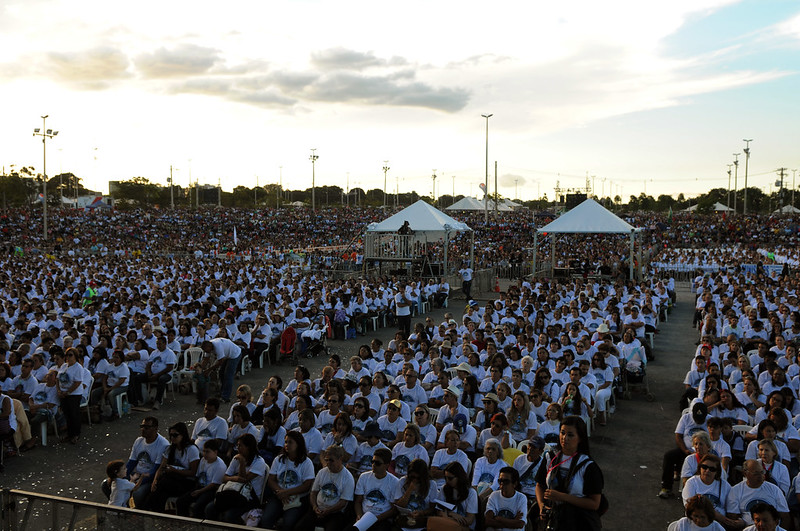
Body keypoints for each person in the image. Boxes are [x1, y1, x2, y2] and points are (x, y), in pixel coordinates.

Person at [535, 416, 604, 531]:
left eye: (570, 435)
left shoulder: (588, 466)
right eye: (562, 433)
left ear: (580, 438)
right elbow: (540, 485)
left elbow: (594, 503)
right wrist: (541, 504)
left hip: (577, 522)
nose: (564, 438)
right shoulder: (550, 457)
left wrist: (562, 497)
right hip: (552, 519)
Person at [205, 433, 267, 523]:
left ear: (248, 447)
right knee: (209, 508)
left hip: (249, 497)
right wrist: (235, 478)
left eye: (240, 446)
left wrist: (242, 463)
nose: (237, 448)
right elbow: (225, 478)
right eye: (237, 445)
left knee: (229, 515)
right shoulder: (236, 458)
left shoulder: (259, 462)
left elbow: (244, 479)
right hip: (233, 493)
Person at [260, 430, 315, 530]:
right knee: (266, 519)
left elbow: (307, 485)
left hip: (297, 499)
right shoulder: (279, 459)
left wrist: (287, 492)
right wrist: (280, 492)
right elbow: (271, 480)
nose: (287, 445)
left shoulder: (307, 462)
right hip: (279, 496)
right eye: (285, 442)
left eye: (290, 442)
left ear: (298, 444)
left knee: (288, 523)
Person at [296, 445, 355, 531]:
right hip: (317, 509)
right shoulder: (322, 472)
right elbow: (313, 493)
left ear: (340, 459)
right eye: (326, 460)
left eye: (331, 460)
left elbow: (343, 502)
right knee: (299, 527)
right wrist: (315, 507)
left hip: (335, 513)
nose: (328, 463)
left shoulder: (348, 477)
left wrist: (328, 511)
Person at [145, 422, 200, 513]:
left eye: (175, 435)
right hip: (171, 481)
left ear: (182, 435)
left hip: (186, 482)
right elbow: (162, 467)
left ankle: (145, 508)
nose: (172, 438)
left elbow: (193, 472)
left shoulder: (191, 449)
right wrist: (155, 480)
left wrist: (174, 470)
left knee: (163, 483)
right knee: (161, 492)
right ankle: (158, 514)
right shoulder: (170, 449)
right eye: (171, 435)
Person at [726, 459, 790, 529]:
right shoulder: (735, 491)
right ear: (745, 474)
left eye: (762, 472)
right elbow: (733, 516)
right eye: (756, 473)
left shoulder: (774, 489)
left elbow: (785, 516)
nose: (761, 476)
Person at [175, 439, 226, 518]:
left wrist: (199, 491)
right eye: (204, 451)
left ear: (215, 452)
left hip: (210, 490)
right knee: (180, 501)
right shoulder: (203, 460)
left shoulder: (220, 466)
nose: (204, 454)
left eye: (207, 452)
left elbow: (214, 484)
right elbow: (197, 475)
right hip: (199, 486)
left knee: (198, 507)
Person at [126, 416, 170, 508]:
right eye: (142, 426)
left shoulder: (163, 444)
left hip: (149, 479)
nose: (143, 429)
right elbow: (131, 463)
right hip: (136, 475)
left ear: (155, 428)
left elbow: (155, 470)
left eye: (146, 427)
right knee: (108, 485)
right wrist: (123, 477)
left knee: (137, 493)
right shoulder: (139, 441)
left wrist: (138, 482)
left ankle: (139, 516)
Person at [681, 454, 734, 528]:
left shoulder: (725, 486)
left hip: (718, 525)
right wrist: (719, 517)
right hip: (695, 523)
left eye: (712, 469)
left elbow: (731, 508)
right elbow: (690, 507)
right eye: (704, 467)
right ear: (700, 468)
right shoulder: (691, 483)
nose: (707, 470)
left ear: (717, 472)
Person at [353, 447, 399, 531]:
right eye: (372, 461)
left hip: (382, 520)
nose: (373, 465)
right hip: (363, 518)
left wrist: (375, 519)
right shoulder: (364, 477)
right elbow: (358, 501)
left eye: (377, 463)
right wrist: (359, 515)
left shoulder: (395, 482)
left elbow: (393, 509)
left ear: (387, 465)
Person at [431, 461, 478, 530]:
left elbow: (469, 520)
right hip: (447, 523)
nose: (447, 481)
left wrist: (452, 518)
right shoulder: (444, 488)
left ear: (459, 477)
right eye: (445, 478)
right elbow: (439, 510)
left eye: (450, 478)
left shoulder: (471, 493)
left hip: (463, 527)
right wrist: (451, 515)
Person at [394, 458, 438, 528]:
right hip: (404, 517)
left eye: (418, 478)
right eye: (413, 477)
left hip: (421, 518)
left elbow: (432, 508)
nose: (415, 480)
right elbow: (399, 505)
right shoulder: (402, 481)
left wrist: (421, 513)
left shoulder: (432, 484)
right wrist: (409, 490)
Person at [485, 466, 528, 531]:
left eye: (506, 481)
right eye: (500, 481)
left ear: (514, 484)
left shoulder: (521, 498)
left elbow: (520, 524)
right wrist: (513, 521)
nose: (502, 484)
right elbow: (488, 521)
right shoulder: (494, 495)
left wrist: (499, 519)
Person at [56, 347, 84, 444]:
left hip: (74, 394)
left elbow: (77, 382)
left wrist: (67, 392)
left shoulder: (78, 367)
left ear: (75, 356)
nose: (68, 357)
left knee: (74, 414)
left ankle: (76, 434)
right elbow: (58, 379)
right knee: (67, 414)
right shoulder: (64, 366)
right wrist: (59, 390)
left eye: (70, 355)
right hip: (63, 393)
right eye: (66, 355)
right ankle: (69, 433)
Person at [201, 338, 242, 402]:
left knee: (228, 375)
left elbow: (220, 362)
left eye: (206, 350)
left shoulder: (217, 346)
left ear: (209, 346)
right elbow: (206, 359)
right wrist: (201, 369)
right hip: (227, 355)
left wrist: (209, 370)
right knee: (221, 373)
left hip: (235, 354)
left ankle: (226, 397)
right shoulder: (208, 346)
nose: (206, 352)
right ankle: (222, 391)